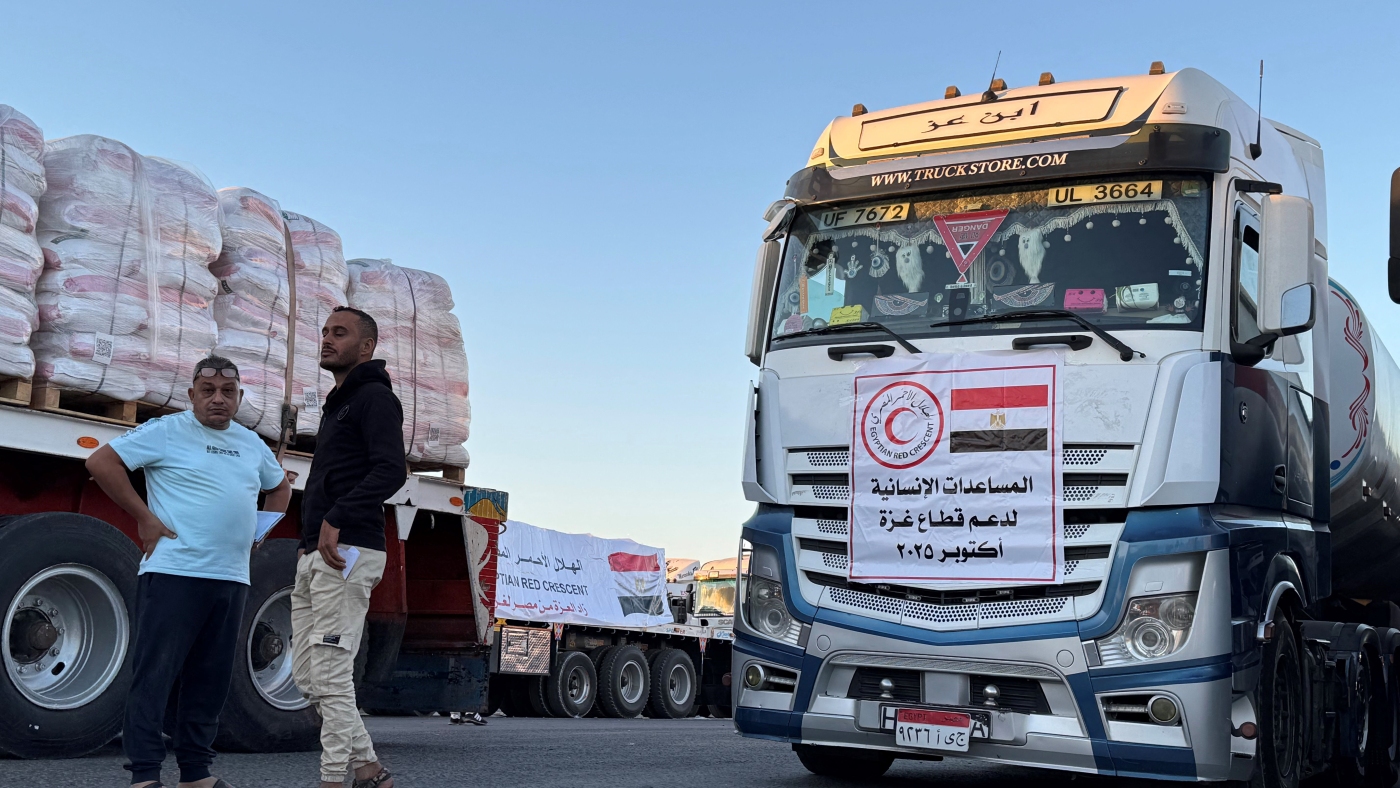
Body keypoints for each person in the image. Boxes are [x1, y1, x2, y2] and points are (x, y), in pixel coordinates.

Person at [86, 355, 291, 788]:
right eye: (208, 391)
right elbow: (101, 463)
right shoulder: (167, 431)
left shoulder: (250, 442)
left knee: (210, 680)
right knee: (156, 674)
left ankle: (195, 774)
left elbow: (280, 489)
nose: (218, 399)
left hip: (231, 578)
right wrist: (144, 517)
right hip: (175, 573)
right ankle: (145, 774)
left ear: (240, 397)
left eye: (228, 392)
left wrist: (259, 533)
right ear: (191, 394)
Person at [293, 306, 406, 788]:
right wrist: (307, 542)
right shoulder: (338, 402)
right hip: (316, 555)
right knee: (308, 677)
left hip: (349, 551)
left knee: (332, 675)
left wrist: (336, 518)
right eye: (324, 331)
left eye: (339, 333)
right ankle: (369, 769)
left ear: (366, 347)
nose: (326, 339)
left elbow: (391, 470)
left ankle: (334, 779)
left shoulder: (375, 398)